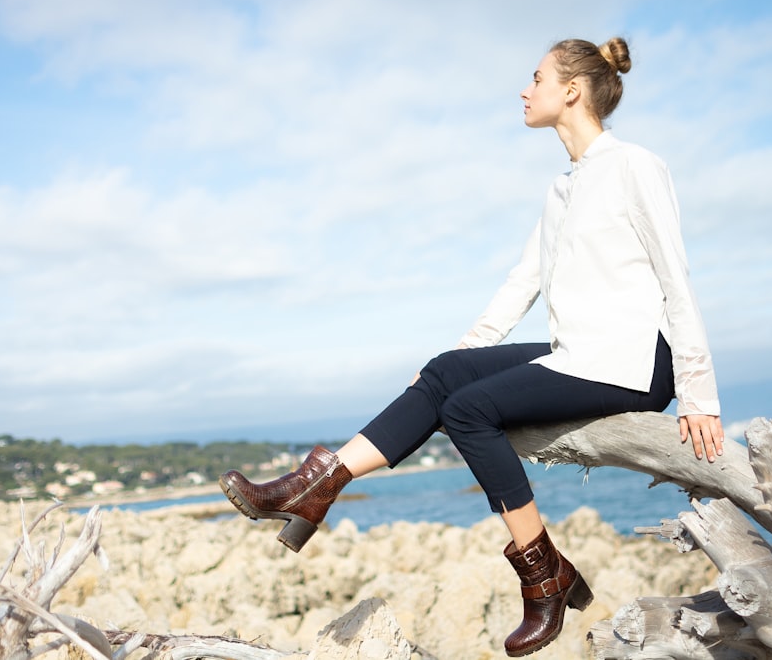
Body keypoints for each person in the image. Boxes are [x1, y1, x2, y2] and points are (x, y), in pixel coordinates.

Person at [219, 36, 724, 658]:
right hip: (578, 352)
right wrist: (459, 359)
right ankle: (313, 485)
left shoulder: (635, 166)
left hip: (636, 361)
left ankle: (545, 580)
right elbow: (524, 282)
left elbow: (677, 277)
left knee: (467, 410)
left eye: (536, 78)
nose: (524, 89)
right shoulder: (562, 190)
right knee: (444, 377)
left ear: (571, 90)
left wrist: (699, 394)